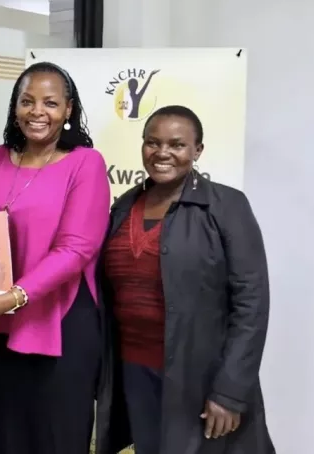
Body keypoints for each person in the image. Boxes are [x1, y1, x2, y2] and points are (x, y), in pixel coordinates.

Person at [0, 61, 111, 453]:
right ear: (15, 107)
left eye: (50, 103)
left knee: (52, 437)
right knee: (1, 436)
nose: (37, 112)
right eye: (27, 101)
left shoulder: (86, 162)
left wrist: (12, 297)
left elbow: (76, 249)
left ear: (68, 110)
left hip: (60, 322)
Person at [95, 105, 274, 454]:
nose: (162, 152)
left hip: (202, 380)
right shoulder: (123, 207)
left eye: (177, 144)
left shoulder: (227, 206)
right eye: (152, 142)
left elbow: (252, 304)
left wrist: (230, 390)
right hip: (134, 372)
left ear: (197, 150)